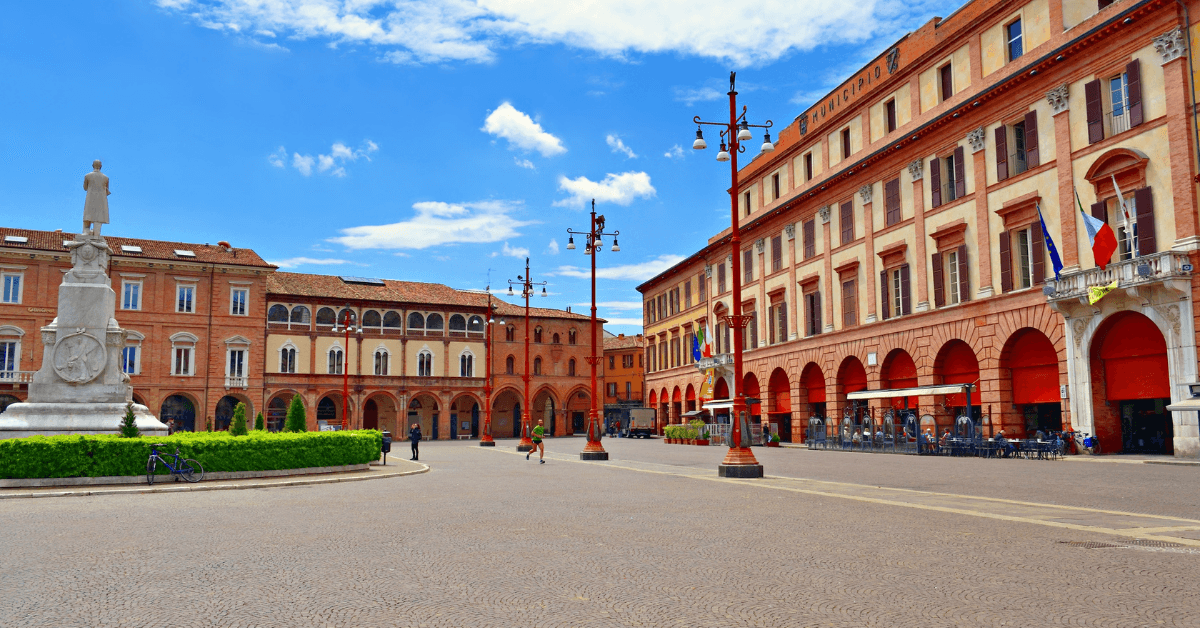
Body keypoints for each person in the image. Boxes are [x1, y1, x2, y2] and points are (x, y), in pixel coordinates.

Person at [82, 160, 110, 236]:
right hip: (101, 201)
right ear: (101, 166)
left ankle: (86, 231)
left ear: (92, 165)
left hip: (90, 199)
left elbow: (85, 188)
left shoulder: (87, 176)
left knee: (88, 216)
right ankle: (96, 234)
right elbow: (107, 190)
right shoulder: (106, 178)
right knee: (99, 218)